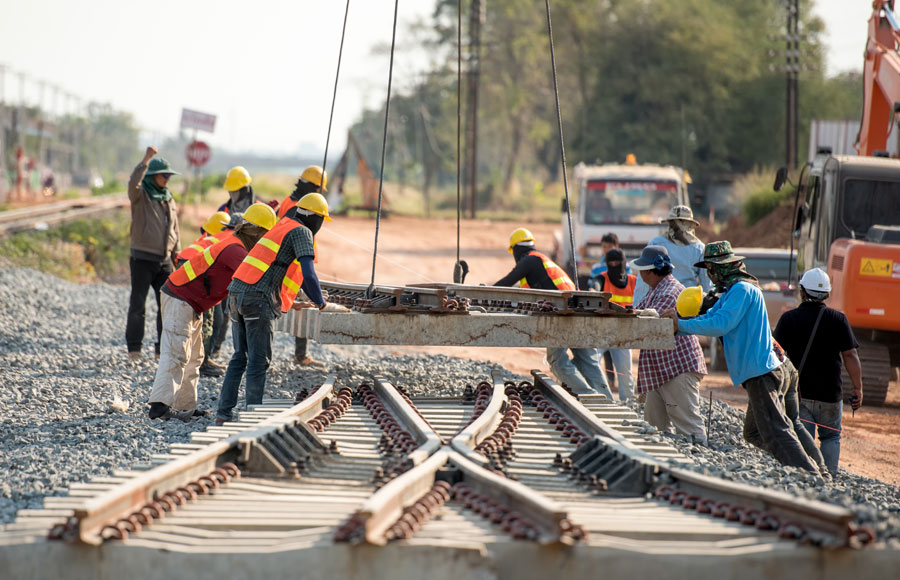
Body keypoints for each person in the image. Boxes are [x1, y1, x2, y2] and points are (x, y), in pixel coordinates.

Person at [661, 241, 823, 474]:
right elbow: (711, 316)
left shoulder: (741, 290)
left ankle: (809, 474)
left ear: (725, 267)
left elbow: (720, 324)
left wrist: (681, 324)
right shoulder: (733, 291)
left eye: (712, 269)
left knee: (776, 430)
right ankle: (818, 469)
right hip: (767, 368)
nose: (711, 275)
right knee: (759, 431)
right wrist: (679, 320)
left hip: (761, 372)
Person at [147, 203, 276, 421]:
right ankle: (158, 407)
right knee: (176, 351)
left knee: (194, 357)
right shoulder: (236, 250)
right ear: (255, 231)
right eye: (264, 235)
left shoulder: (237, 245)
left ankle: (185, 406)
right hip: (180, 297)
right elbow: (255, 277)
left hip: (191, 301)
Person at [215, 193, 333, 426]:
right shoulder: (302, 232)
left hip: (236, 292)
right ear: (314, 218)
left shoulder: (282, 225)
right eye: (321, 220)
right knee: (259, 360)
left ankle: (224, 414)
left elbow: (278, 269)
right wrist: (320, 301)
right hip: (257, 298)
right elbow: (308, 273)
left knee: (240, 357)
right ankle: (252, 415)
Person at [494, 228, 613, 399]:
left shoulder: (529, 260)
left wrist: (482, 291)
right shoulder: (542, 261)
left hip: (562, 315)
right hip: (579, 311)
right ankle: (606, 401)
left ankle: (589, 397)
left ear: (516, 249)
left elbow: (506, 283)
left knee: (559, 363)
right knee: (587, 360)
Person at [773, 268, 863, 476]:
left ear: (803, 292)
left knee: (802, 434)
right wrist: (858, 388)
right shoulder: (838, 319)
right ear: (827, 294)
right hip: (830, 395)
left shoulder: (789, 319)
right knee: (831, 437)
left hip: (799, 394)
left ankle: (806, 476)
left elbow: (775, 353)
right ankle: (828, 478)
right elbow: (850, 355)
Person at [630, 245, 707, 442]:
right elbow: (637, 312)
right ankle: (658, 460)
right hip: (662, 369)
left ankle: (699, 459)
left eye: (642, 270)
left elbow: (647, 326)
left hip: (676, 368)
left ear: (650, 271)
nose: (640, 274)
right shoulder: (656, 290)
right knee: (653, 427)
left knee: (688, 426)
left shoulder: (668, 292)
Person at [126, 146, 181, 361]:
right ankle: (134, 350)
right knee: (138, 304)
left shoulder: (168, 198)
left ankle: (161, 351)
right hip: (142, 258)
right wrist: (146, 159)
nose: (167, 179)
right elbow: (132, 184)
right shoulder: (140, 196)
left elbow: (174, 229)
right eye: (164, 175)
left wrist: (177, 254)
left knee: (166, 306)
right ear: (152, 176)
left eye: (169, 175)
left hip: (164, 260)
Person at [275, 166, 329, 366]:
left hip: (291, 258)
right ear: (315, 187)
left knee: (291, 304)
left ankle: (300, 354)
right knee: (298, 303)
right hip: (295, 259)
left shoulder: (289, 202)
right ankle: (301, 355)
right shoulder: (302, 207)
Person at [175, 210, 233, 377]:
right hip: (197, 271)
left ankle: (201, 358)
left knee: (200, 318)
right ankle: (202, 363)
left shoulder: (205, 240)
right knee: (207, 319)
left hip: (188, 268)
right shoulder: (226, 239)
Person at [633, 205, 710, 307]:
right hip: (687, 304)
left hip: (662, 301)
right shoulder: (700, 248)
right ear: (690, 225)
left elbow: (643, 282)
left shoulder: (656, 243)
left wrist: (637, 307)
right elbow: (706, 286)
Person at [595, 248, 636, 401]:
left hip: (622, 335)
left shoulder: (633, 282)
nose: (614, 266)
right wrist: (593, 291)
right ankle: (603, 399)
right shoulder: (601, 279)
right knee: (592, 364)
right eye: (610, 263)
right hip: (601, 333)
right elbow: (594, 289)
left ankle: (628, 403)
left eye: (617, 263)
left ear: (623, 263)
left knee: (625, 373)